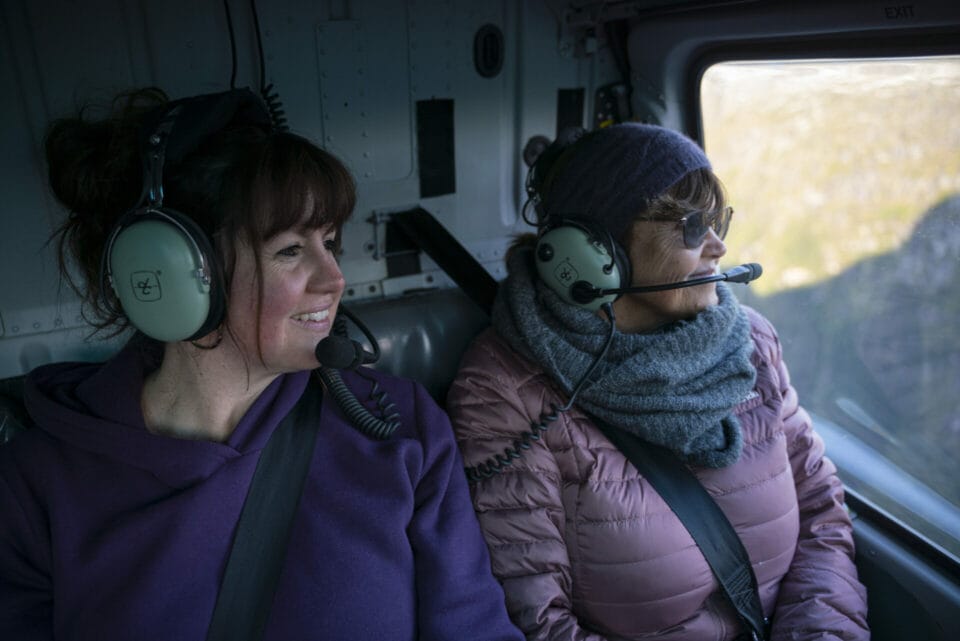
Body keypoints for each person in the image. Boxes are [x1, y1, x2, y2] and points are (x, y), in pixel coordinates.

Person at [0, 87, 523, 641]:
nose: (334, 278)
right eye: (291, 251)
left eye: (329, 242)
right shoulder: (37, 485)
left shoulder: (401, 427)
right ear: (173, 274)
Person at [447, 123, 869, 640]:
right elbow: (538, 621)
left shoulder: (750, 344)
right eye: (692, 227)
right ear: (593, 252)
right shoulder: (505, 390)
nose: (716, 246)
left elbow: (822, 516)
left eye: (719, 222)